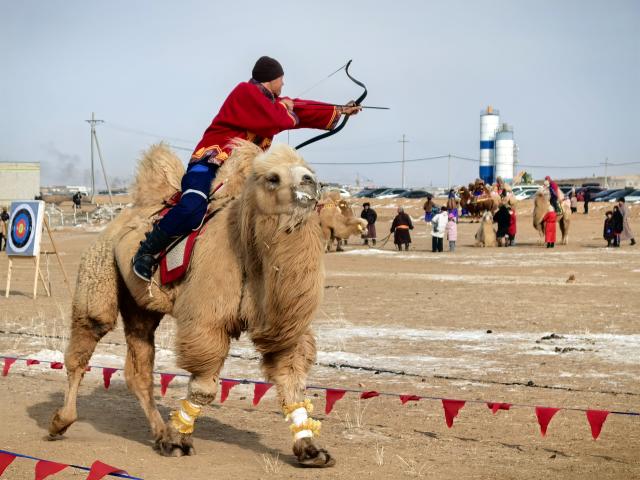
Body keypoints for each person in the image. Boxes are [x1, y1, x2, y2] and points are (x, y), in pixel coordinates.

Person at [131, 56, 361, 281]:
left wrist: (341, 110)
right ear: (270, 79)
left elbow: (301, 108)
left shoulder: (272, 102)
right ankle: (146, 252)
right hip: (209, 163)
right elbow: (277, 120)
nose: (283, 84)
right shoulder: (246, 92)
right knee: (193, 208)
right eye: (281, 79)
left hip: (241, 173)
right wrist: (285, 107)